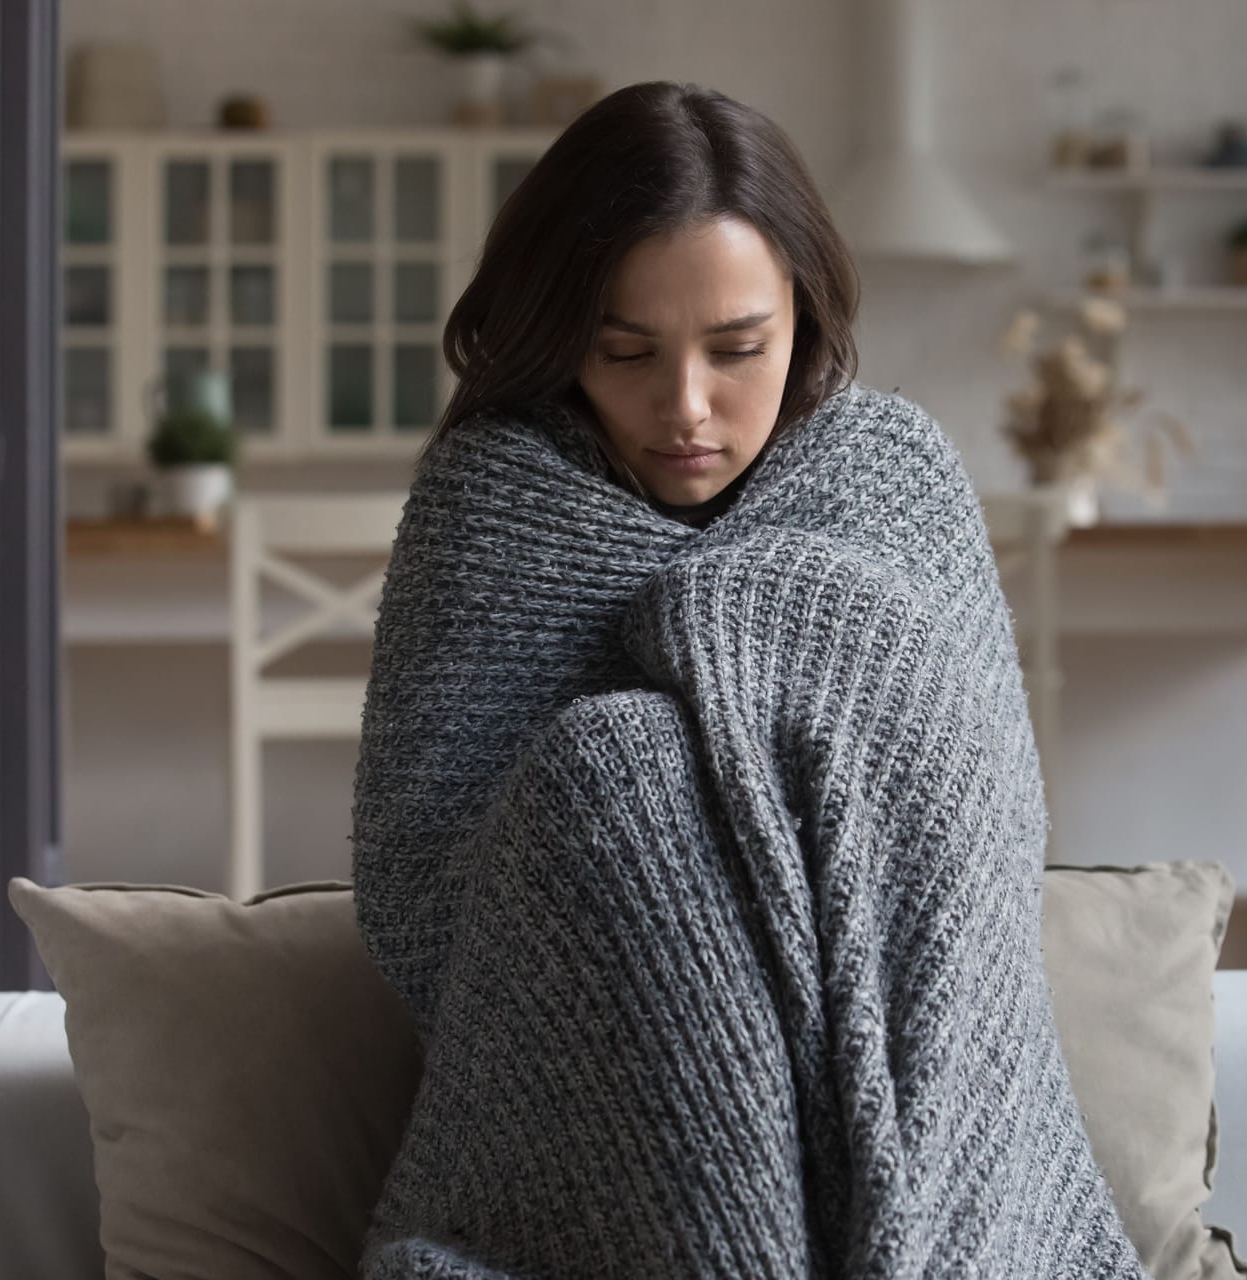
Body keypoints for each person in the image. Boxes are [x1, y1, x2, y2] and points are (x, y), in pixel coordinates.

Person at [351, 81, 1146, 1278]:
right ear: (559, 333)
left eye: (737, 351)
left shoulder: (890, 479)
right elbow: (421, 887)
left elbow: (982, 820)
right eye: (625, 351)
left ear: (803, 318)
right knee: (619, 774)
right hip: (588, 1073)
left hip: (884, 1019)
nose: (686, 408)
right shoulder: (486, 507)